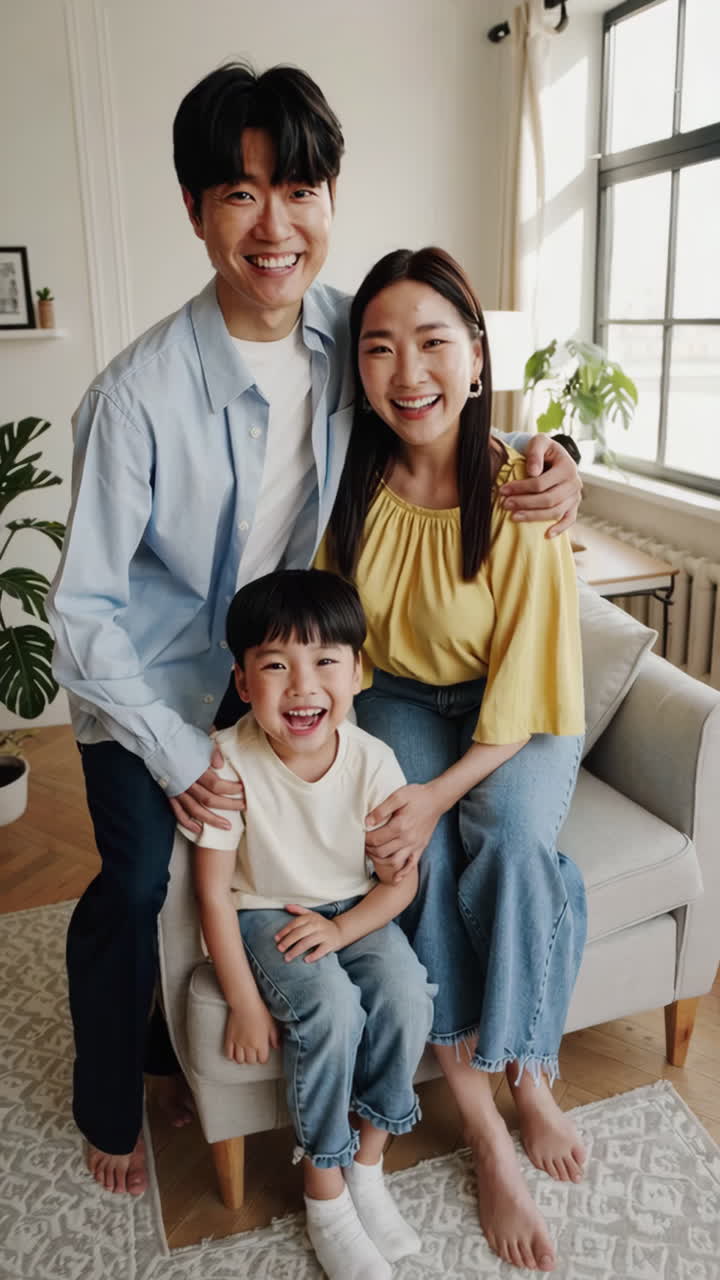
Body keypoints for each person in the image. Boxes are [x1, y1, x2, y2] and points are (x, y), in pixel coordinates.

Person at [47, 61, 582, 1197]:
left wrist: (560, 459)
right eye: (239, 195)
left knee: (337, 852)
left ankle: (425, 1074)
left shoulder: (354, 335)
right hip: (153, 690)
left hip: (284, 675)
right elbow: (82, 615)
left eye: (300, 189)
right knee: (139, 883)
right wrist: (183, 749)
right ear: (195, 212)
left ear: (332, 199)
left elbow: (449, 384)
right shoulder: (134, 396)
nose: (274, 225)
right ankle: (112, 1086)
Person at [316, 246, 587, 1273]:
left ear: (476, 357)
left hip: (520, 708)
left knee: (511, 837)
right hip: (404, 695)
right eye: (380, 348)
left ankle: (528, 1077)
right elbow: (334, 630)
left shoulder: (523, 486)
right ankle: (483, 1129)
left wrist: (436, 792)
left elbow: (518, 701)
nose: (407, 371)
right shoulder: (348, 480)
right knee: (406, 853)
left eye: (433, 341)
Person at [184, 568, 434, 1280]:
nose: (302, 686)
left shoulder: (374, 761)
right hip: (266, 911)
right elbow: (212, 894)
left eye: (325, 661)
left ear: (359, 673)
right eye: (275, 665)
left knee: (407, 993)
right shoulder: (229, 763)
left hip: (354, 911)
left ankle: (367, 1165)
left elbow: (401, 882)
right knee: (330, 1009)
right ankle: (324, 1193)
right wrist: (240, 999)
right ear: (242, 682)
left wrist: (345, 930)